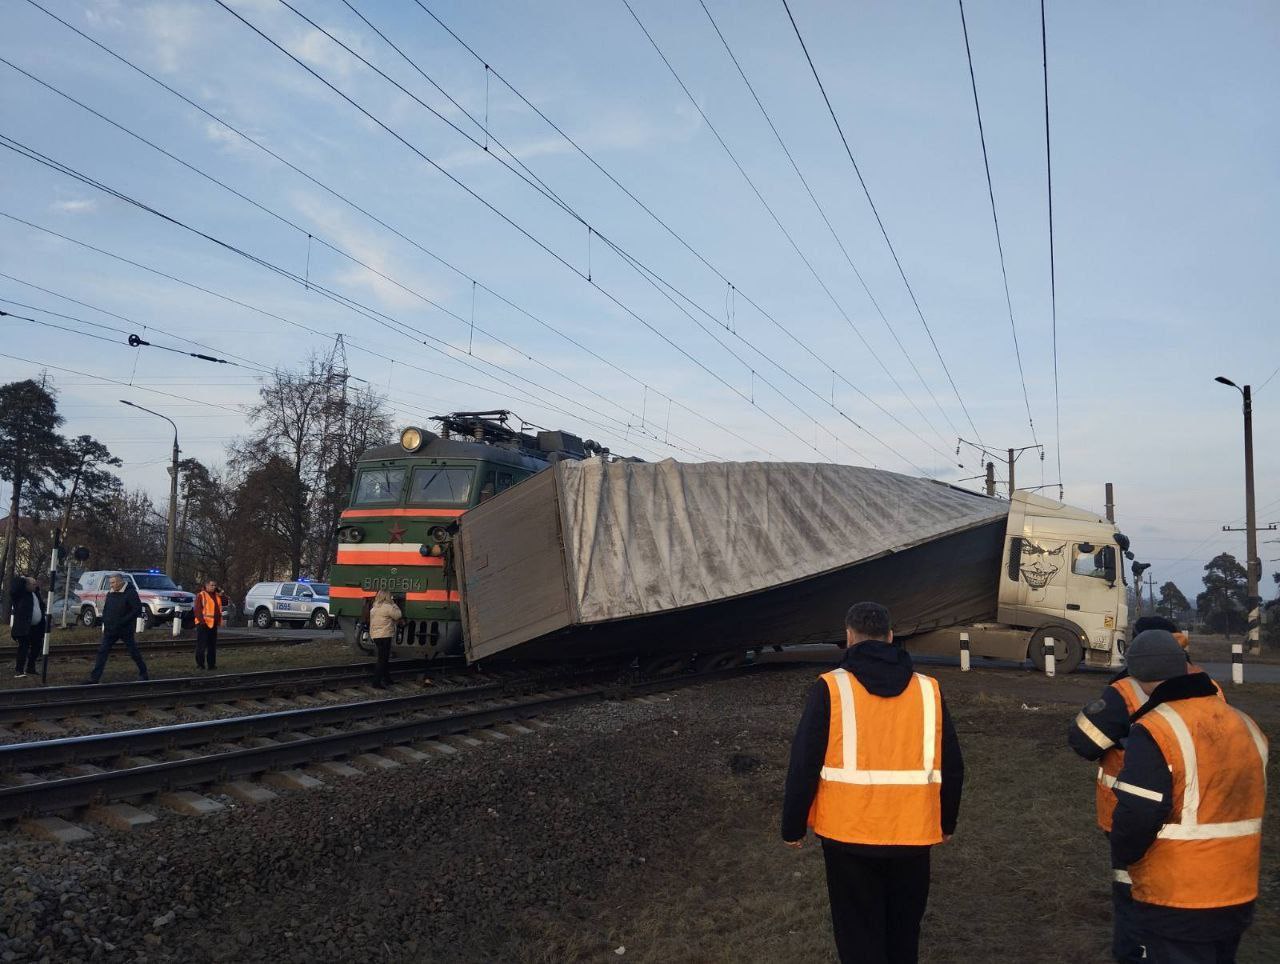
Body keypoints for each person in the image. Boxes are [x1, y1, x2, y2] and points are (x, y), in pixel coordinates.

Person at [781, 602, 964, 964]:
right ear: (891, 637)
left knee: (858, 934)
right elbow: (954, 765)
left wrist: (793, 826)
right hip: (912, 834)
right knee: (902, 934)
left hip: (848, 837)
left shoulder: (831, 688)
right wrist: (946, 822)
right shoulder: (929, 690)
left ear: (849, 638)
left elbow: (803, 763)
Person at [1067, 616, 1221, 963]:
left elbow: (1084, 742)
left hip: (1138, 815)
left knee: (1134, 900)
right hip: (1202, 817)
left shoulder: (1126, 689)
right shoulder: (1208, 682)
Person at [1110, 629, 1266, 963]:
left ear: (1136, 673)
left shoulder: (1155, 729)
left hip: (1179, 897)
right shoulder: (1244, 723)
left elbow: (1137, 815)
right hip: (1238, 891)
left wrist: (1125, 855)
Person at [86, 573, 149, 683]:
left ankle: (143, 673)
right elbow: (106, 608)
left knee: (133, 652)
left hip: (125, 629)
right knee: (102, 652)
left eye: (113, 582)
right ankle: (94, 678)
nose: (112, 585)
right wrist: (105, 620)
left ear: (120, 582)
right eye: (110, 583)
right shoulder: (110, 593)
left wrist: (123, 621)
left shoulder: (130, 593)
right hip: (110, 629)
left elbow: (137, 609)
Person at [8, 576, 42, 678]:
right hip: (24, 627)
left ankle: (31, 667)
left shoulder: (35, 594)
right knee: (23, 648)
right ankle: (19, 669)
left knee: (37, 647)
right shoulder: (20, 595)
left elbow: (40, 606)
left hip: (36, 627)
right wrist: (23, 579)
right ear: (26, 585)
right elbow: (14, 588)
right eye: (33, 584)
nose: (35, 586)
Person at [367, 589, 401, 689]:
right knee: (382, 659)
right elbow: (398, 615)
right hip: (385, 635)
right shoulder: (388, 607)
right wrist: (394, 604)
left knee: (384, 658)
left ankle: (387, 679)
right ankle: (376, 682)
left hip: (376, 636)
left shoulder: (374, 608)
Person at [193, 579, 227, 671]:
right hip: (203, 624)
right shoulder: (202, 595)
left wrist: (222, 593)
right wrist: (202, 622)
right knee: (201, 646)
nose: (214, 587)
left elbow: (225, 602)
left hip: (213, 624)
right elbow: (197, 610)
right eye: (212, 585)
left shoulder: (217, 595)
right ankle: (200, 665)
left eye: (215, 585)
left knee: (212, 646)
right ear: (207, 585)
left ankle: (211, 665)